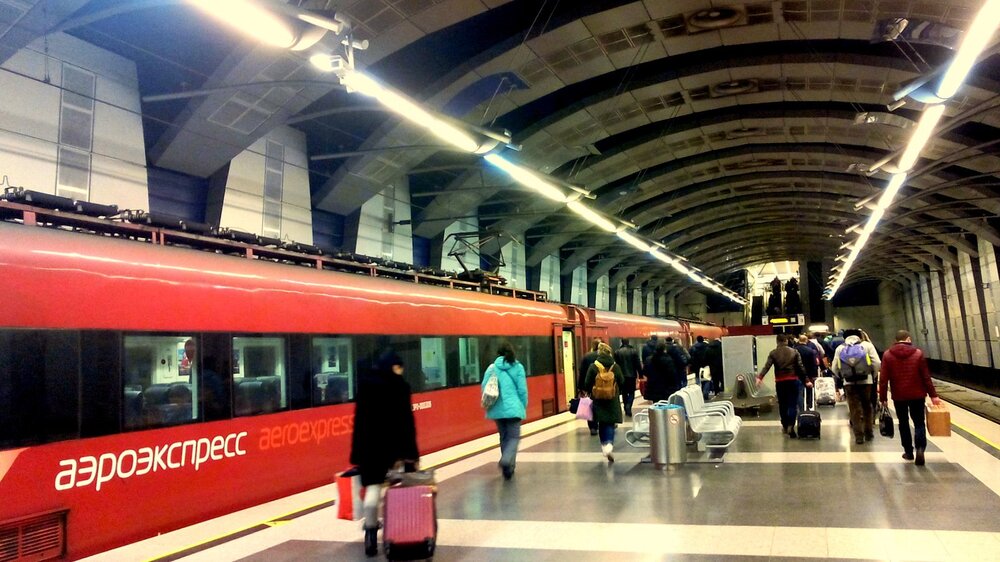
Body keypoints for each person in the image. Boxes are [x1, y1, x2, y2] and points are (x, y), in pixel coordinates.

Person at [350, 351, 419, 557]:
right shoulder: (400, 387)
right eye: (399, 367)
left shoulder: (365, 385)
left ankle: (370, 534)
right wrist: (411, 454)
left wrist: (357, 452)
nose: (401, 371)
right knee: (399, 487)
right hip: (391, 449)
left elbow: (358, 422)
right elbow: (406, 424)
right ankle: (402, 529)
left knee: (373, 488)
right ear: (393, 367)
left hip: (367, 448)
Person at [878, 330, 942, 466]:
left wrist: (883, 398)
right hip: (917, 395)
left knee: (903, 422)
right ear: (908, 339)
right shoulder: (918, 353)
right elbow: (926, 377)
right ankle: (920, 449)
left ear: (896, 340)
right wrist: (933, 396)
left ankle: (908, 452)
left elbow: (883, 379)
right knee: (919, 422)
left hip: (899, 395)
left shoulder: (888, 355)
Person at [482, 341, 528, 480]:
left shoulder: (491, 368)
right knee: (513, 437)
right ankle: (507, 460)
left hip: (497, 409)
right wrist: (522, 405)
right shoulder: (518, 367)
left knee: (504, 437)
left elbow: (484, 386)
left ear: (498, 354)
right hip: (514, 409)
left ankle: (508, 469)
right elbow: (522, 390)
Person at [831, 333, 881, 444]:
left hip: (849, 383)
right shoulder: (867, 345)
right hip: (866, 381)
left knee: (854, 409)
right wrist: (872, 375)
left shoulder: (840, 348)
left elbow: (834, 367)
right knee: (867, 406)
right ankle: (868, 432)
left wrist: (842, 377)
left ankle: (858, 436)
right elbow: (877, 363)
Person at [756, 334, 807, 438]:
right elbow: (800, 367)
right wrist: (806, 380)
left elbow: (767, 366)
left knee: (783, 404)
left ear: (777, 342)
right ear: (786, 341)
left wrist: (760, 377)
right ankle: (791, 425)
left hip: (780, 381)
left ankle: (784, 425)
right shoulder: (794, 352)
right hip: (793, 380)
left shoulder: (773, 353)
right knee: (792, 404)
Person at [584, 342, 624, 463]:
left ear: (599, 353)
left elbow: (587, 383)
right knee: (610, 423)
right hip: (612, 399)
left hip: (598, 400)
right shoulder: (615, 367)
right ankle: (609, 445)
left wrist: (592, 390)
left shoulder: (593, 366)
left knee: (602, 423)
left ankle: (604, 446)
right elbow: (622, 381)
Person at [578, 338, 603, 435]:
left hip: (589, 385)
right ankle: (602, 423)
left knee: (590, 405)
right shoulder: (604, 356)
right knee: (601, 405)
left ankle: (593, 427)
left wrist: (580, 387)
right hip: (602, 385)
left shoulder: (586, 357)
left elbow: (582, 372)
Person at [613, 338, 642, 417]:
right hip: (632, 376)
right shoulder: (633, 351)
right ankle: (629, 405)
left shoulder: (617, 352)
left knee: (624, 392)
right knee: (632, 392)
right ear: (628, 342)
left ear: (621, 342)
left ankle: (626, 407)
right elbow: (637, 364)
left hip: (621, 376)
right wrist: (640, 374)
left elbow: (615, 365)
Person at [794, 334, 819, 410]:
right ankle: (809, 405)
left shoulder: (794, 350)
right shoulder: (810, 351)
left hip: (797, 374)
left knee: (799, 392)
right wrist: (815, 374)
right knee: (809, 390)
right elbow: (814, 364)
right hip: (809, 374)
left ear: (799, 340)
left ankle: (801, 408)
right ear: (806, 341)